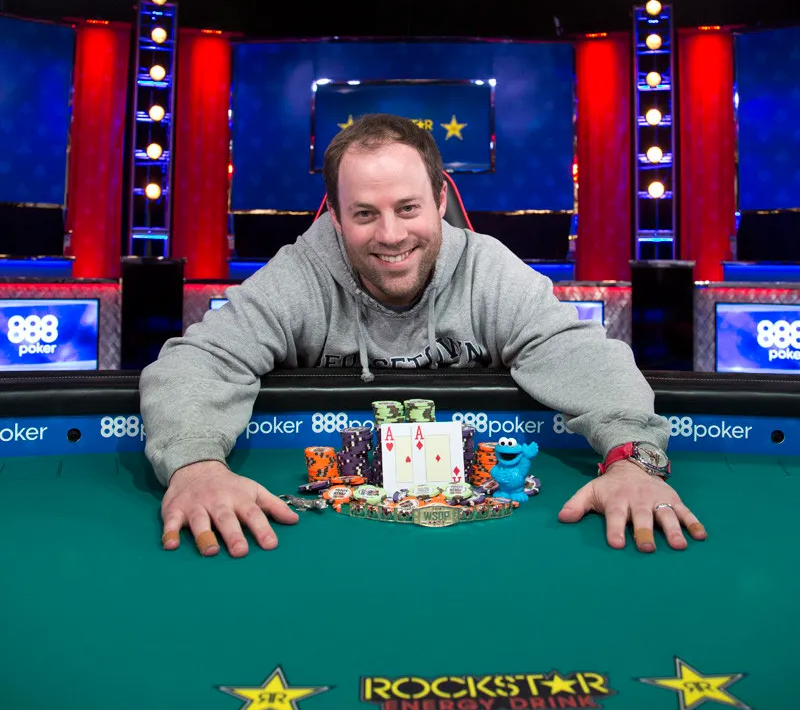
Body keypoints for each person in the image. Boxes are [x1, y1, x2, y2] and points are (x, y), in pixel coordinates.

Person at [140, 114, 706, 559]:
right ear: (335, 217)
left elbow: (579, 354)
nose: (391, 235)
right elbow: (199, 360)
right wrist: (196, 466)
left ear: (439, 200)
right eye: (365, 214)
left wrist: (633, 461)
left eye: (408, 208)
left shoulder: (487, 269)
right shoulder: (300, 274)